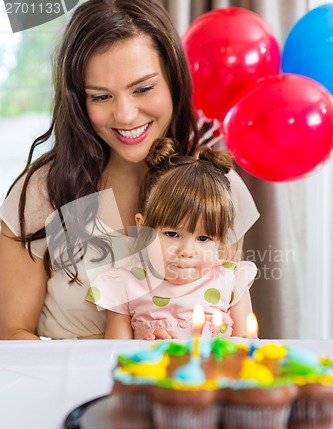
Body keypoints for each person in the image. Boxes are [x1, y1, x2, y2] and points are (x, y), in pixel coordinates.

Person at [0, 0, 259, 340]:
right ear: (79, 102)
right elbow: (11, 333)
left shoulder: (216, 187)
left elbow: (230, 311)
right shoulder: (41, 192)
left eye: (143, 88)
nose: (124, 115)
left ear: (174, 81)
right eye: (101, 97)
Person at [88, 137, 257, 340]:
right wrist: (147, 349)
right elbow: (115, 354)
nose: (186, 251)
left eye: (203, 238)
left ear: (220, 240)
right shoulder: (126, 285)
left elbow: (248, 351)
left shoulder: (231, 281)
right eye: (172, 234)